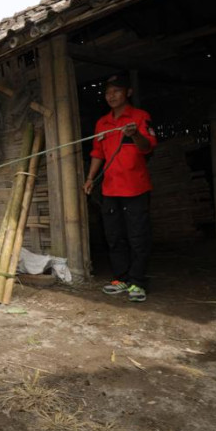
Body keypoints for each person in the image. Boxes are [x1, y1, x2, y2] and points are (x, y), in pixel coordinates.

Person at [83, 73, 157, 303]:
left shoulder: (140, 117)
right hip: (110, 190)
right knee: (114, 236)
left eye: (116, 91)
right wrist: (90, 178)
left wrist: (135, 135)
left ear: (128, 93)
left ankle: (137, 281)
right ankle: (121, 278)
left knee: (137, 236)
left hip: (135, 188)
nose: (111, 96)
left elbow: (147, 148)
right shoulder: (102, 123)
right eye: (108, 92)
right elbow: (97, 153)